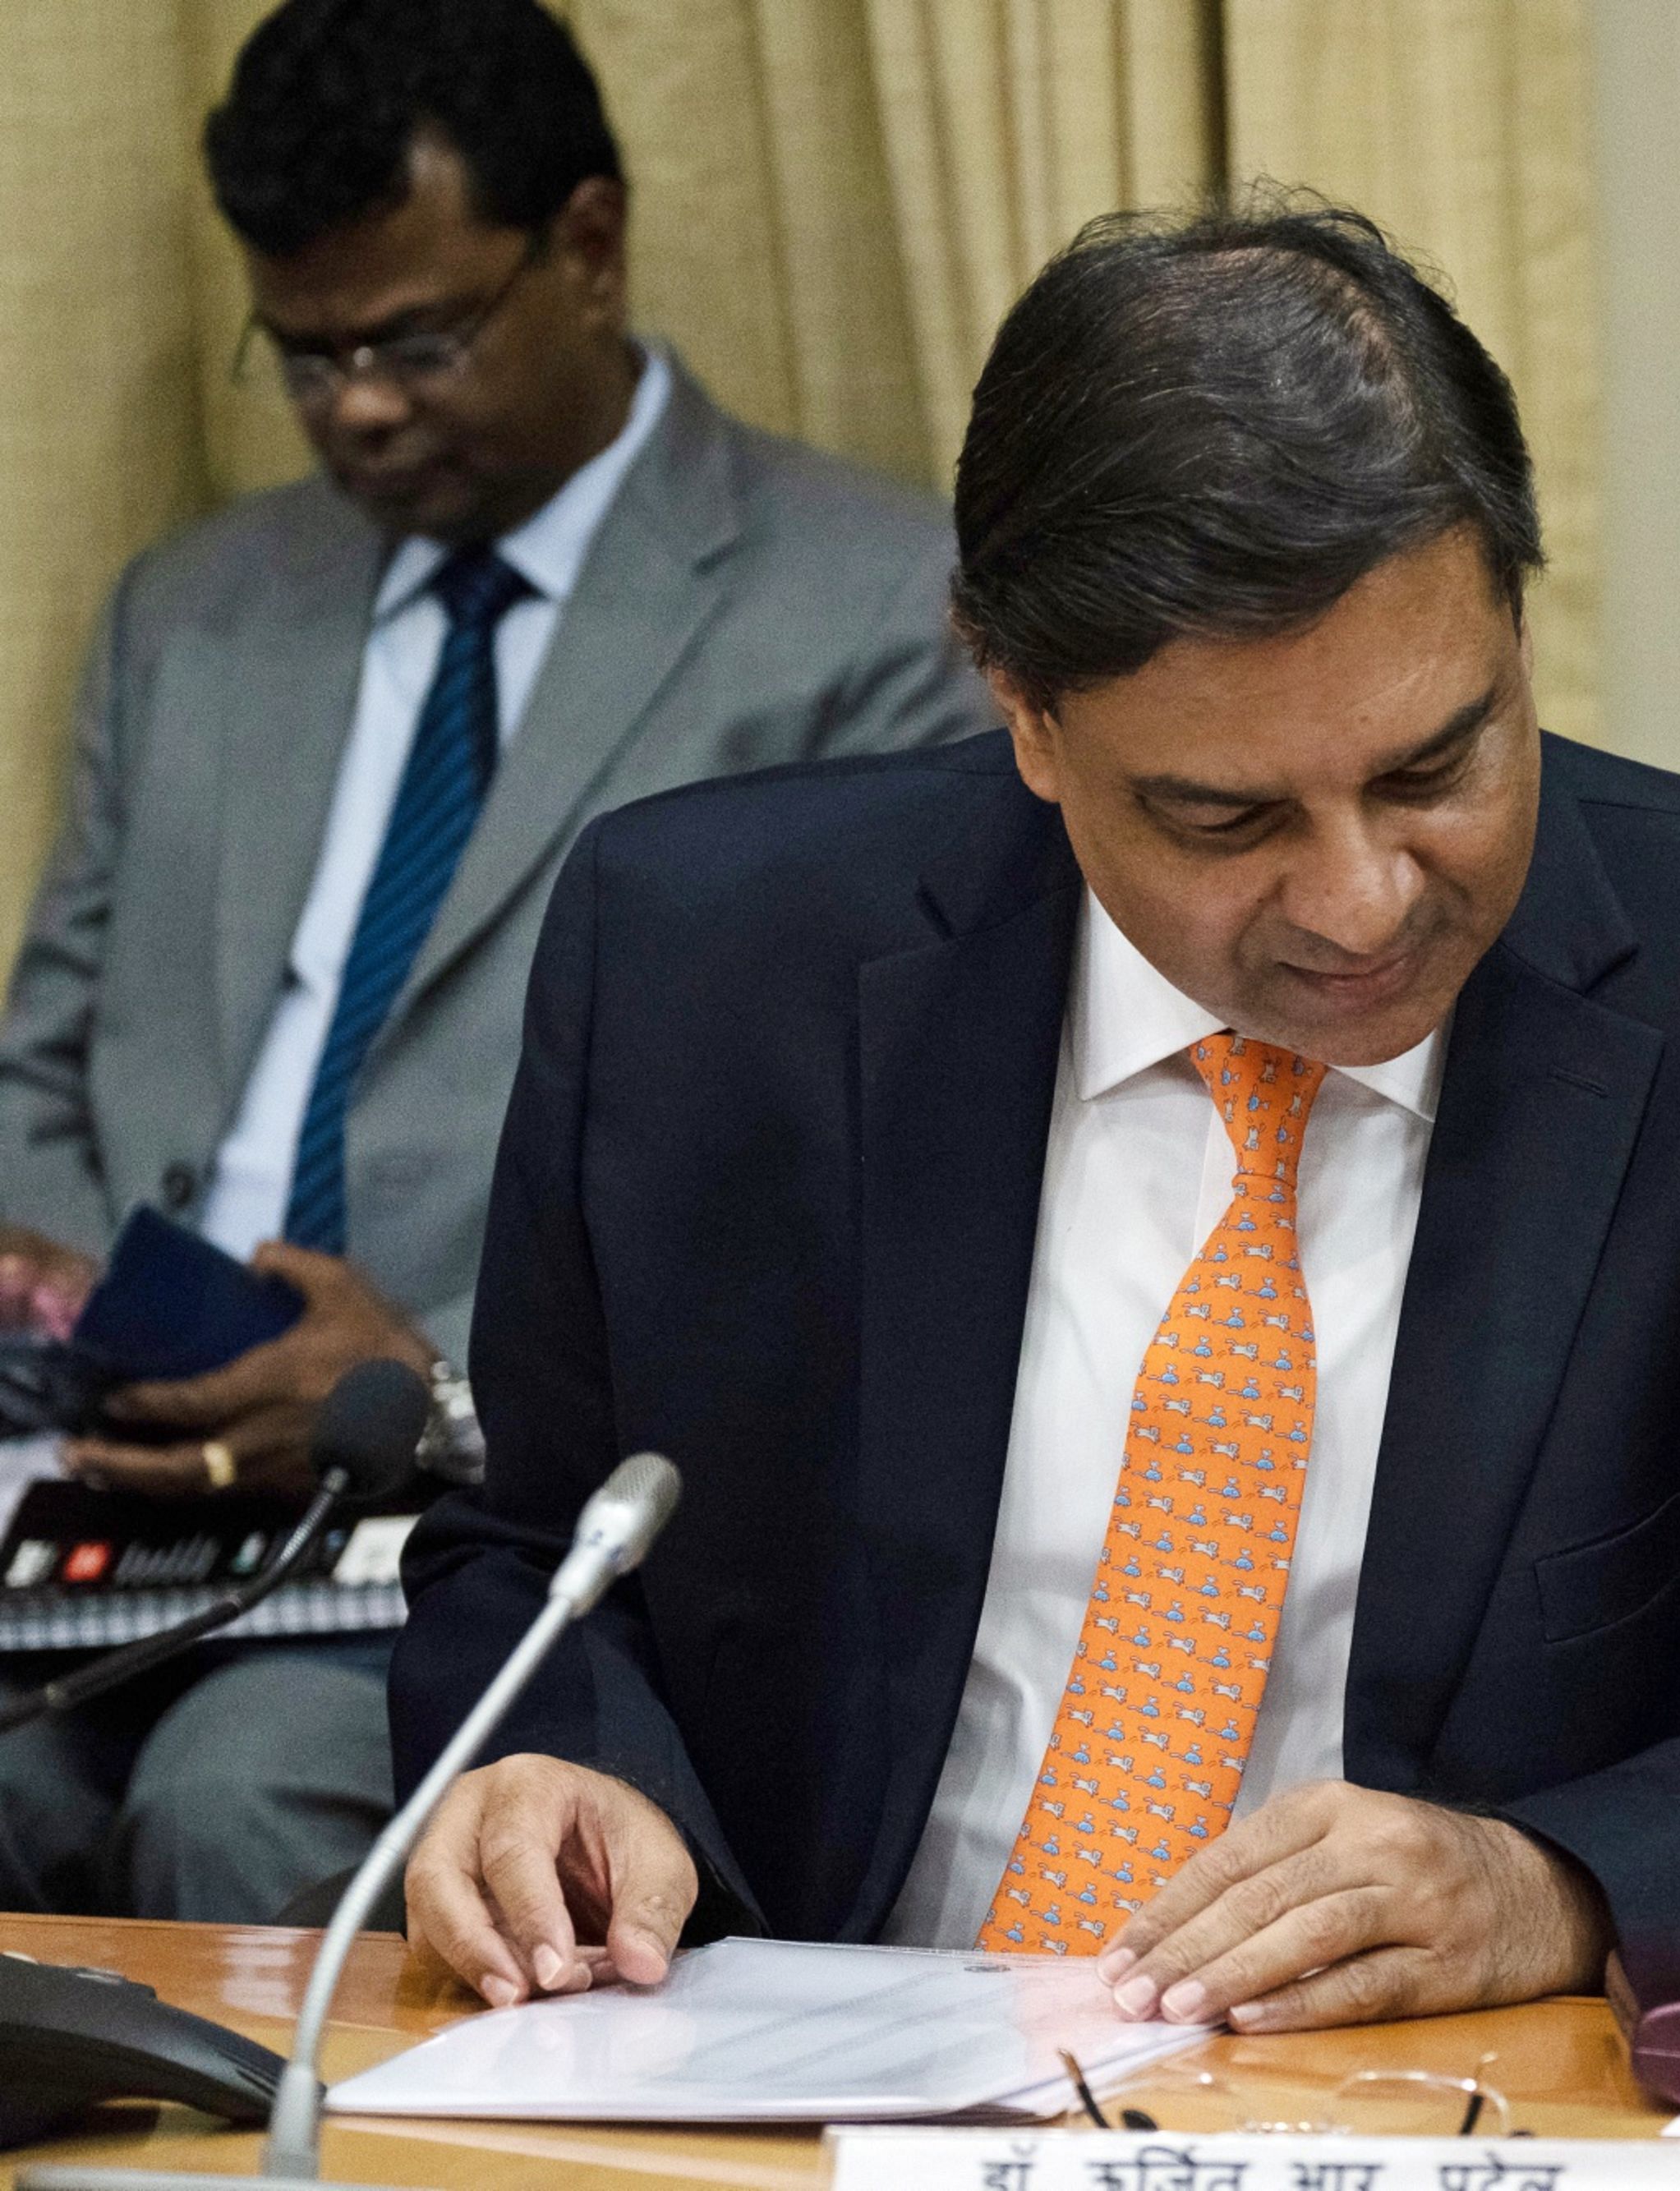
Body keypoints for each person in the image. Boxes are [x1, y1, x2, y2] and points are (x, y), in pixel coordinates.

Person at [389, 201, 1680, 2029]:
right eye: (1226, 819)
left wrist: (1561, 1878)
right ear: (1024, 712)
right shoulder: (704, 966)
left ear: (1511, 607)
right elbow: (532, 1554)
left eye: (1436, 766)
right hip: (806, 2080)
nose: (1362, 901)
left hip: (1464, 2108)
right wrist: (566, 1771)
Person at [0, 0, 985, 1922]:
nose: (357, 404)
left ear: (591, 244)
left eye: (416, 339)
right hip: (117, 1487)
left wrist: (433, 1384)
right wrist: (55, 1289)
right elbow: (43, 1062)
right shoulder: (192, 610)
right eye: (305, 355)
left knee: (232, 1790)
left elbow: (856, 1198)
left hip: (495, 1513)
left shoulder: (866, 614)